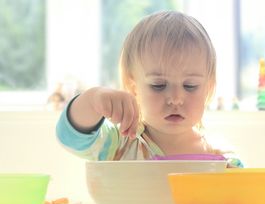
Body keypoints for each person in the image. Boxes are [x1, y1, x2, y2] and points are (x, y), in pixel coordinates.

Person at [56, 10, 242, 168]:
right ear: (133, 87)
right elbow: (71, 138)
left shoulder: (222, 160)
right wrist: (92, 100)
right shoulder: (119, 143)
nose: (176, 98)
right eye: (158, 85)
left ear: (208, 89)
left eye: (190, 86)